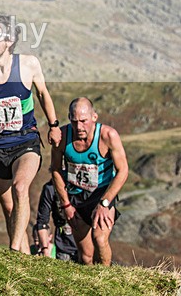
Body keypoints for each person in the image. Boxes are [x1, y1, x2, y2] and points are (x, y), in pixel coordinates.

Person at [0, 14, 62, 253]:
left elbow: (43, 94)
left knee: (20, 188)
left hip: (26, 141)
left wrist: (54, 124)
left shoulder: (28, 64)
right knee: (9, 210)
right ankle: (24, 259)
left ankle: (14, 248)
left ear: (9, 41)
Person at [51, 97, 129, 266]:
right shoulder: (63, 137)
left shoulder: (108, 136)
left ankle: (106, 280)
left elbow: (123, 171)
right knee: (86, 256)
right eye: (74, 121)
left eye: (83, 121)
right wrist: (65, 204)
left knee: (100, 239)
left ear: (94, 117)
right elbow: (55, 169)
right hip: (75, 198)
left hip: (101, 195)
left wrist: (105, 203)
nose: (79, 127)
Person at [34, 180, 78, 261]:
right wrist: (45, 250)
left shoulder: (85, 186)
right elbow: (42, 222)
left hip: (87, 248)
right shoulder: (50, 188)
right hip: (63, 249)